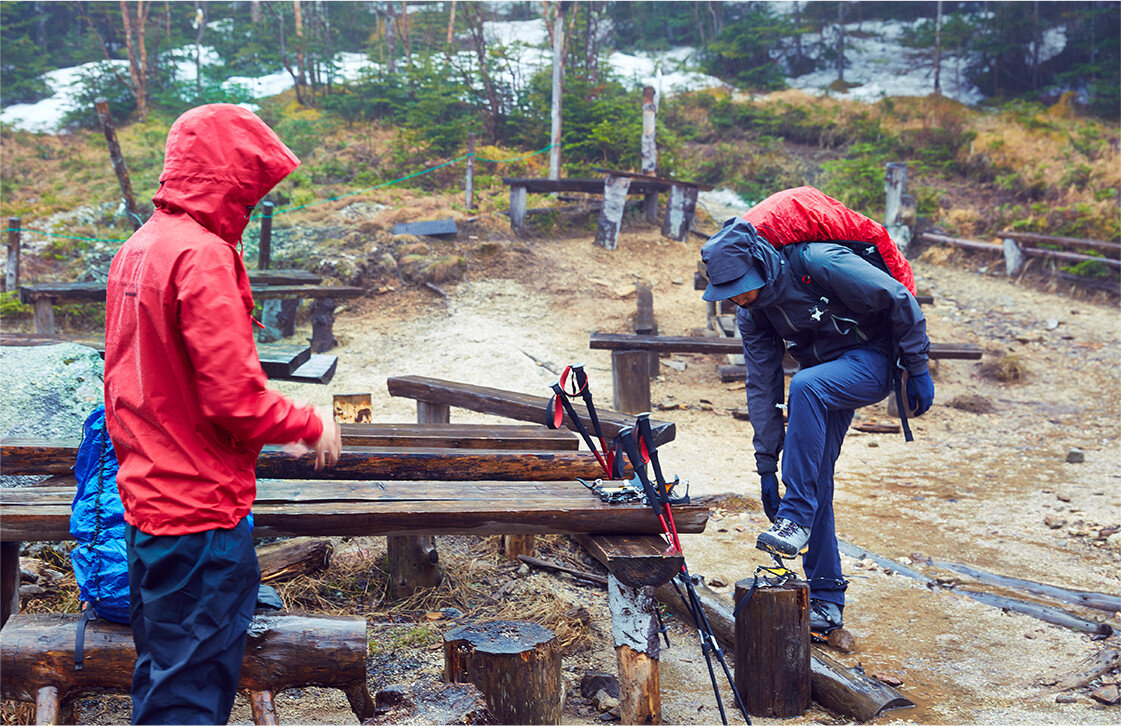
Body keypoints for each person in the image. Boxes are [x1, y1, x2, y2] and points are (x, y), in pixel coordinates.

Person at [104, 104, 342, 724]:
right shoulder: (201, 255)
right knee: (188, 698)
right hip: (198, 514)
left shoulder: (140, 245)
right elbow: (234, 399)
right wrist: (309, 424)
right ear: (231, 176)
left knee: (164, 674)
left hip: (148, 505)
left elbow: (153, 383)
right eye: (252, 186)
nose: (256, 200)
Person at [700, 187, 933, 636]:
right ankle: (827, 598)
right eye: (727, 294)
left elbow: (900, 300)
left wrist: (918, 369)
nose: (736, 300)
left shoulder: (819, 262)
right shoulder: (752, 315)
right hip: (825, 377)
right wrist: (768, 465)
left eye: (739, 289)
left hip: (874, 359)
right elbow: (761, 386)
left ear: (760, 263)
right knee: (815, 471)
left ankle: (795, 518)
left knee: (806, 387)